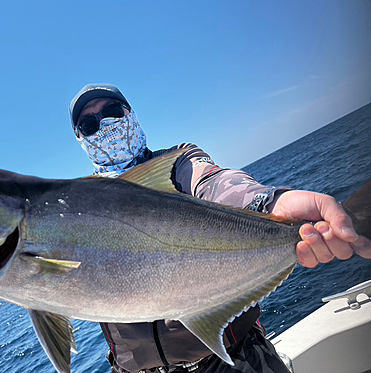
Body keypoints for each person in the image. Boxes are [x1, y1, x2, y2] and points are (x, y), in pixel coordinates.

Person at [69, 84, 371, 373]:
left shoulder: (177, 163)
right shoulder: (80, 207)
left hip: (234, 362)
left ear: (130, 114)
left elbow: (215, 183)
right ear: (80, 140)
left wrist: (270, 202)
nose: (105, 125)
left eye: (112, 111)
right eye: (89, 124)